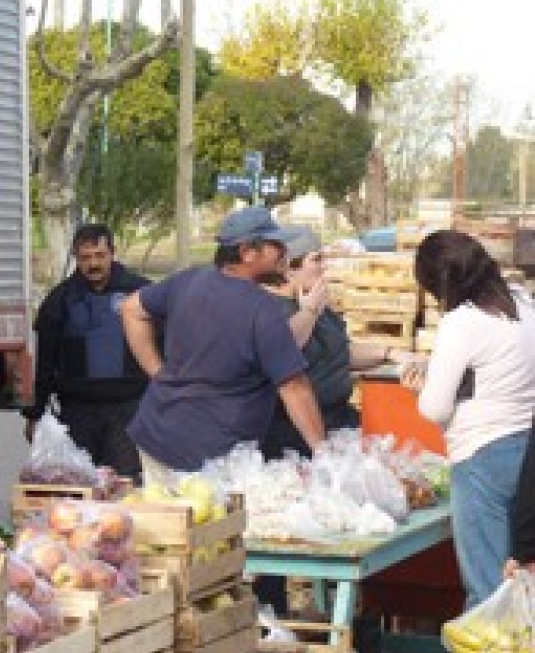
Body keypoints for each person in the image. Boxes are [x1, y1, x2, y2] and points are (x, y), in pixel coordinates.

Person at [400, 229, 535, 653]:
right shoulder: (521, 304)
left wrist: (420, 383)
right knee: (511, 573)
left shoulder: (462, 321)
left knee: (483, 582)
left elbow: (436, 406)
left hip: (480, 453)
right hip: (525, 445)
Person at [121, 206, 325, 485]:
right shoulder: (260, 308)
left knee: (169, 524)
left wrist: (158, 372)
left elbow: (131, 309)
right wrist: (325, 454)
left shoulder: (190, 279)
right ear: (247, 252)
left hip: (157, 435)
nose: (283, 252)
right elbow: (294, 387)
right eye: (274, 245)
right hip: (214, 458)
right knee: (213, 526)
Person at [260, 226, 401, 460]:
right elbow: (284, 348)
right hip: (296, 438)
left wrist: (392, 353)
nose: (324, 265)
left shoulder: (315, 302)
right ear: (289, 269)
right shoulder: (269, 310)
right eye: (316, 259)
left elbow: (340, 350)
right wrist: (309, 312)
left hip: (341, 423)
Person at [22, 224, 151, 478]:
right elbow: (45, 362)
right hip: (77, 411)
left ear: (112, 253)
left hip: (128, 409)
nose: (93, 264)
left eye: (99, 256)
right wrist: (34, 413)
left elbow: (164, 349)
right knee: (79, 484)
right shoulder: (59, 300)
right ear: (76, 258)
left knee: (125, 484)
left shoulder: (141, 293)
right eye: (85, 258)